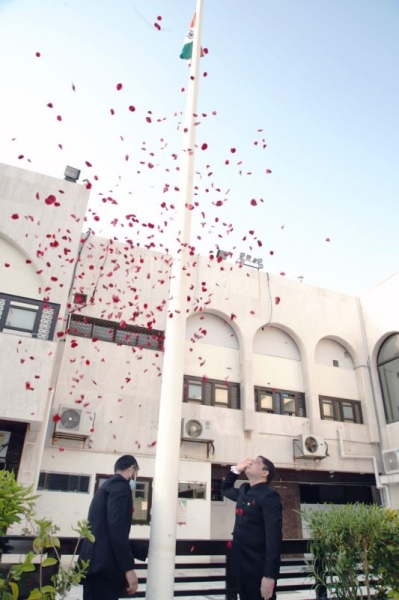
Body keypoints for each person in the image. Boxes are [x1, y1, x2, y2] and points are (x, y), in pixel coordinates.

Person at [79, 455, 141, 599]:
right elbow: (117, 528)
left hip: (93, 565)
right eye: (137, 471)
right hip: (104, 569)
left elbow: (105, 529)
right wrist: (128, 568)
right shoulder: (121, 487)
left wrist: (140, 551)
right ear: (131, 469)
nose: (136, 476)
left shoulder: (106, 486)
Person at [222, 456, 282, 600]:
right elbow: (225, 489)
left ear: (264, 472)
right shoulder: (244, 490)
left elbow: (273, 537)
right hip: (240, 566)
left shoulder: (269, 496)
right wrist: (236, 470)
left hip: (258, 568)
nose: (249, 463)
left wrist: (269, 575)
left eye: (255, 462)